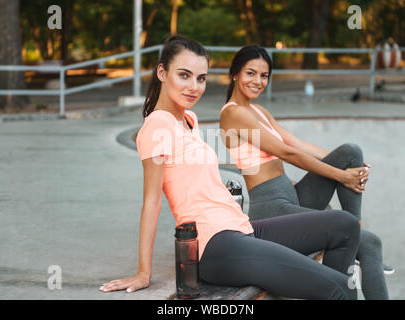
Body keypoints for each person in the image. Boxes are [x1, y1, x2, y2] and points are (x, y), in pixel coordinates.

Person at [99, 35, 361, 300]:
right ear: (162, 73)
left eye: (201, 78)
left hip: (241, 228)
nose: (194, 87)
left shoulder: (189, 119)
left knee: (345, 225)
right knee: (342, 287)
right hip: (216, 245)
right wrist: (144, 272)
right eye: (184, 75)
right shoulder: (157, 127)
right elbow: (152, 201)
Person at [219, 45, 389, 300]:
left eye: (264, 76)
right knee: (371, 242)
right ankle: (354, 241)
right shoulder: (233, 114)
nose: (258, 81)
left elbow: (296, 144)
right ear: (235, 74)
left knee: (351, 153)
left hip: (293, 196)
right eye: (250, 73)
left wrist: (349, 168)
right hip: (272, 208)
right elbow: (289, 155)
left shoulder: (257, 111)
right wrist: (340, 176)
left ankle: (354, 230)